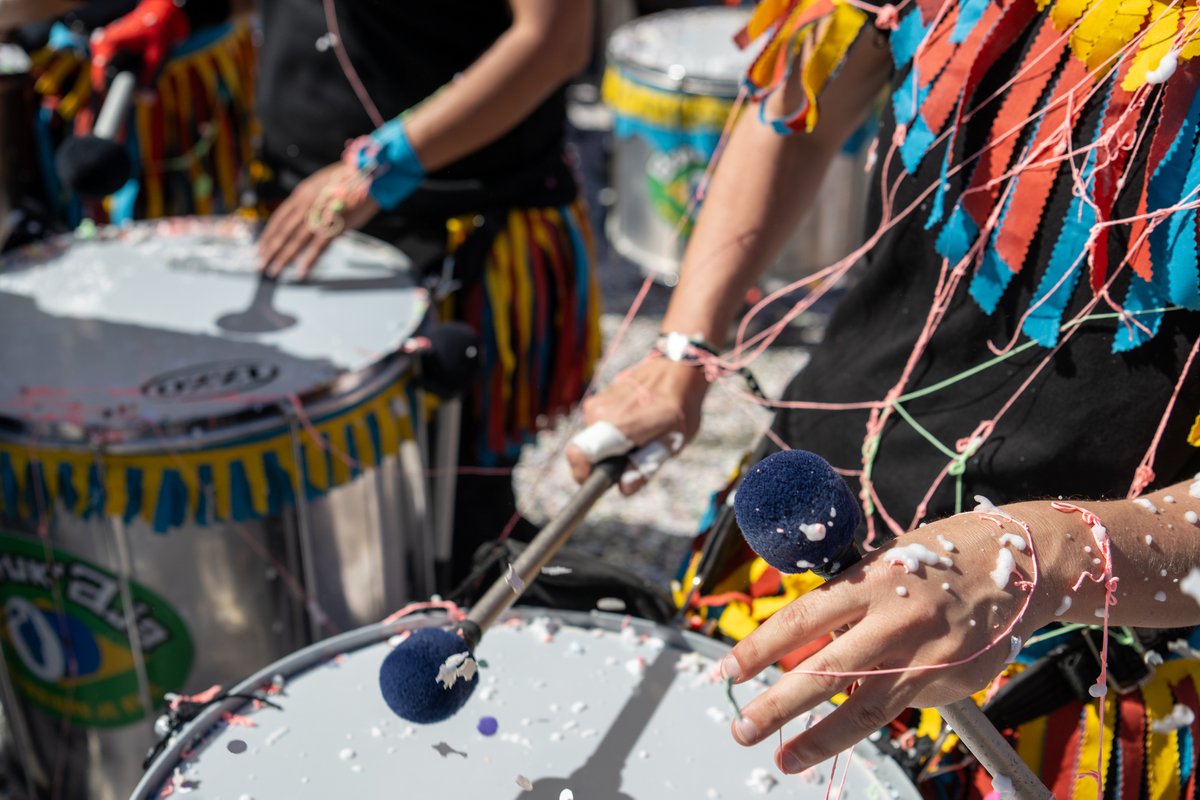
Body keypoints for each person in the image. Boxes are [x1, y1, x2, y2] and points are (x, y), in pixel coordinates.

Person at [567, 1, 1200, 794]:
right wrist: (684, 343)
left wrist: (1045, 559)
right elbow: (796, 103)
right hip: (802, 536)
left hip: (1072, 671)